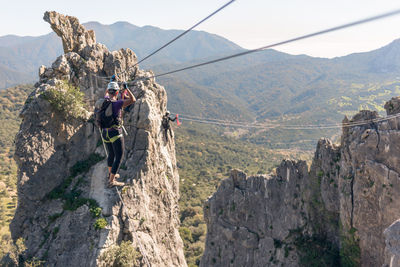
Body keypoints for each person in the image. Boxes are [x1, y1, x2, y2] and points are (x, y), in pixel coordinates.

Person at [102, 81, 135, 187]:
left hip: (105, 132)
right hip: (115, 133)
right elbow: (132, 100)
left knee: (111, 154)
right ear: (117, 93)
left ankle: (110, 174)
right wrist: (127, 89)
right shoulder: (117, 104)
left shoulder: (105, 100)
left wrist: (111, 85)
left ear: (108, 91)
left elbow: (107, 92)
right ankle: (111, 181)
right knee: (119, 156)